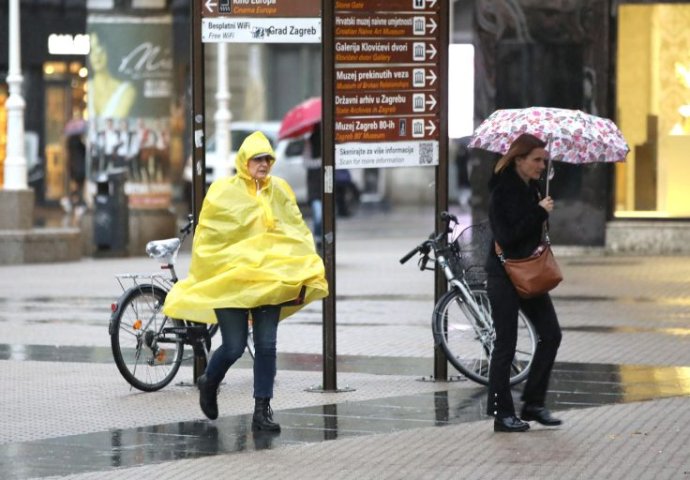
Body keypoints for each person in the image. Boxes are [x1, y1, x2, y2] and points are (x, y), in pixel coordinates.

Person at [163, 131, 328, 431]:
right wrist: (216, 270)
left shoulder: (280, 191)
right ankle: (209, 381)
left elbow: (296, 229)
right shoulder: (223, 191)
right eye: (257, 158)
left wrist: (303, 265)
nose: (263, 164)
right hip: (232, 282)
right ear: (244, 161)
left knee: (266, 346)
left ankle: (262, 410)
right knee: (234, 346)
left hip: (269, 281)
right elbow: (209, 235)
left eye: (267, 158)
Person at [485, 133, 563, 433]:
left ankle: (533, 403)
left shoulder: (531, 189)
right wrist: (539, 212)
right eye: (537, 160)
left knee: (551, 334)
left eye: (545, 160)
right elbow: (508, 236)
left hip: (529, 272)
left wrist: (541, 212)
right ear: (519, 159)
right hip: (504, 274)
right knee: (505, 345)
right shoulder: (503, 191)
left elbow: (530, 231)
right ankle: (501, 414)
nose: (542, 166)